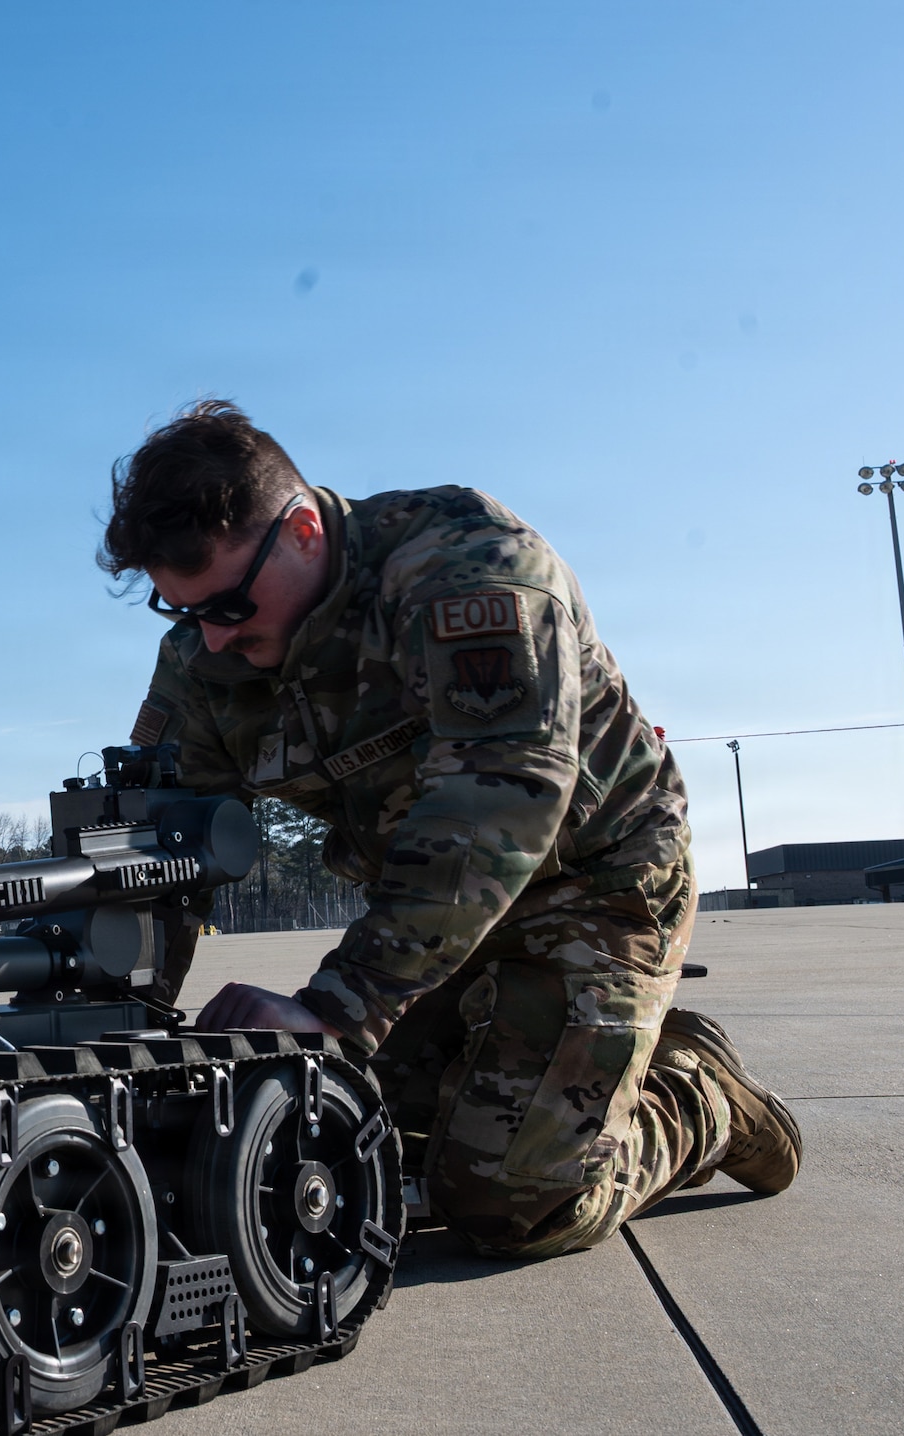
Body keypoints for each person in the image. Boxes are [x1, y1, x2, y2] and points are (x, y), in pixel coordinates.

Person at [101, 400, 800, 1259]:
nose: (214, 635)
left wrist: (338, 1007)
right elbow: (161, 845)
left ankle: (697, 1092)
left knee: (512, 1201)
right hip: (433, 922)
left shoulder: (469, 567)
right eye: (185, 613)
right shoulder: (208, 657)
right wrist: (117, 1030)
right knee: (332, 1135)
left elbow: (495, 805)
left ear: (306, 531)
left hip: (595, 890)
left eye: (232, 603)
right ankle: (545, 1054)